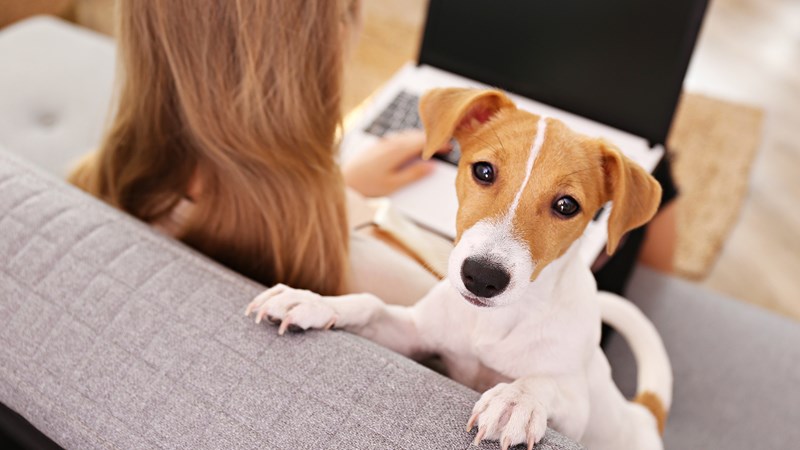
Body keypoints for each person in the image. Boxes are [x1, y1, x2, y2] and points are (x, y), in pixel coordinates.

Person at [69, 0, 440, 305]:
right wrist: (351, 205)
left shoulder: (92, 182)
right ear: (322, 44)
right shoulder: (386, 286)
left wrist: (341, 187)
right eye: (343, 11)